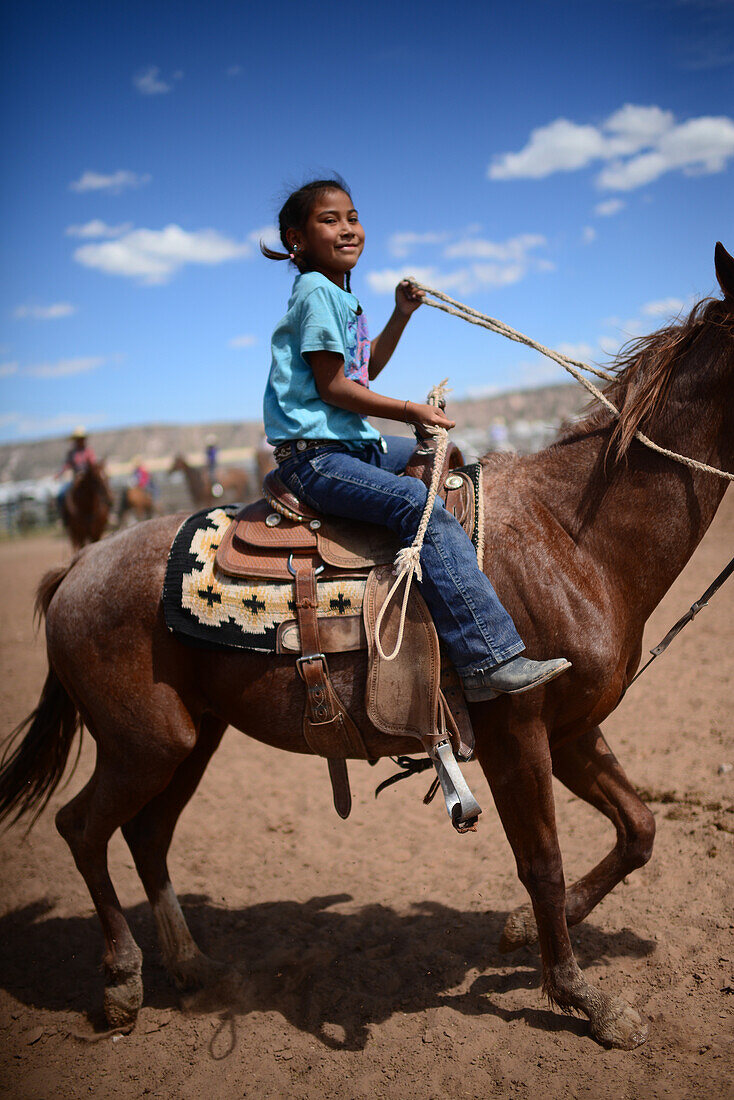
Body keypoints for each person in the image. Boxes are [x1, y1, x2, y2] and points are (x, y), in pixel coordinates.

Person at [261, 179, 570, 700]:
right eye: (329, 220)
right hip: (317, 457)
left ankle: (448, 588)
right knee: (411, 499)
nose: (347, 228)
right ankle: (485, 658)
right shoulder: (316, 293)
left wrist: (401, 314)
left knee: (450, 462)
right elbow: (332, 387)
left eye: (352, 217)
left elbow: (365, 371)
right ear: (296, 239)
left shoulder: (340, 295)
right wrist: (411, 412)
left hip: (353, 446)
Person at [56, 427, 97, 515]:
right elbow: (67, 465)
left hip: (88, 478)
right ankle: (64, 517)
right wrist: (59, 473)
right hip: (76, 478)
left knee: (102, 490)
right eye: (78, 439)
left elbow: (93, 464)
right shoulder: (71, 453)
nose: (80, 441)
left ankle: (110, 514)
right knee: (61, 494)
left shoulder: (88, 451)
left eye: (82, 439)